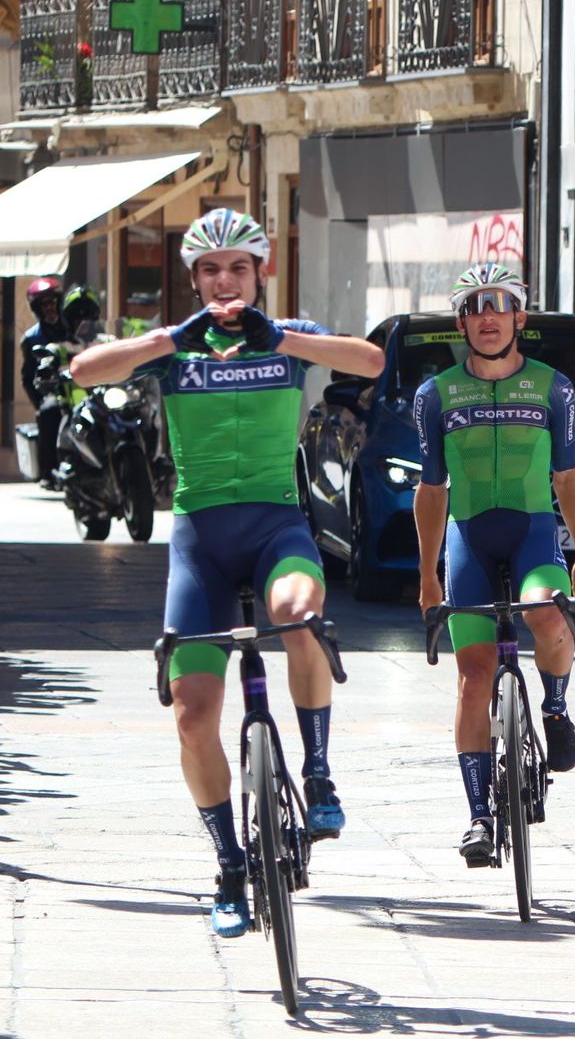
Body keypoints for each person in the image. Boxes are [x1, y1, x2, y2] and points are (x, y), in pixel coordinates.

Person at [68, 208, 384, 939]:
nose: (224, 281)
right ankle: (230, 862)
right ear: (194, 279)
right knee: (193, 714)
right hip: (200, 542)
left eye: (238, 267)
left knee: (302, 614)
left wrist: (288, 337)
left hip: (277, 526)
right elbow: (84, 372)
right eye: (210, 270)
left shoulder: (289, 338)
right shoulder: (174, 350)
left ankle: (319, 772)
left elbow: (368, 361)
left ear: (259, 272)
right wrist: (165, 339)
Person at [411, 262, 575, 867]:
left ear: (520, 317)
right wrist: (426, 572)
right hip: (468, 536)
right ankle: (478, 816)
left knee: (548, 614)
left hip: (533, 532)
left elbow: (567, 476)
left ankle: (555, 706)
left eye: (499, 305)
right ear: (461, 322)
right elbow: (432, 489)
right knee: (472, 678)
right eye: (474, 307)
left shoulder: (553, 387)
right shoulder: (435, 395)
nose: (487, 317)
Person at [19, 276, 68, 488]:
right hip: (54, 391)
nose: (50, 309)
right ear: (37, 309)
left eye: (53, 303)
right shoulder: (31, 338)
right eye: (44, 305)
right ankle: (49, 471)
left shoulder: (74, 327)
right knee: (48, 413)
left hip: (81, 385)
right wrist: (39, 401)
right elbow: (27, 377)